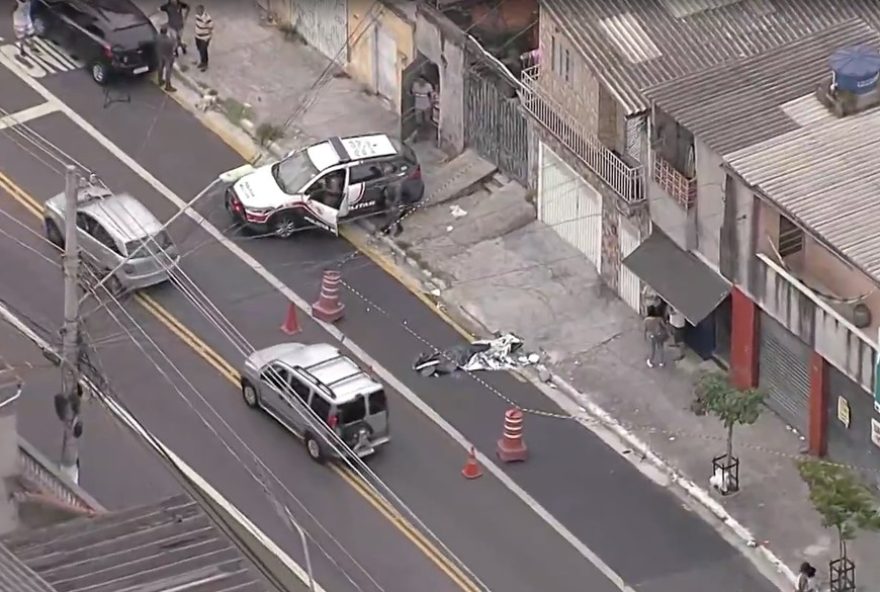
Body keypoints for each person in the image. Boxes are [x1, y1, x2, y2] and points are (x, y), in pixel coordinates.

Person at [156, 26, 177, 92]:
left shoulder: (157, 37)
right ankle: (168, 86)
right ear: (166, 32)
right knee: (168, 71)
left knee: (160, 67)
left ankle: (160, 80)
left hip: (160, 54)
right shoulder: (169, 41)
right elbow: (174, 46)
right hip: (168, 56)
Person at [193, 4, 213, 71]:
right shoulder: (197, 16)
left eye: (198, 10)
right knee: (199, 49)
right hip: (198, 36)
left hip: (204, 38)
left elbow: (211, 27)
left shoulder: (207, 18)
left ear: (202, 10)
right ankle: (202, 61)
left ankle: (205, 63)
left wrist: (208, 37)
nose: (196, 11)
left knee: (203, 50)